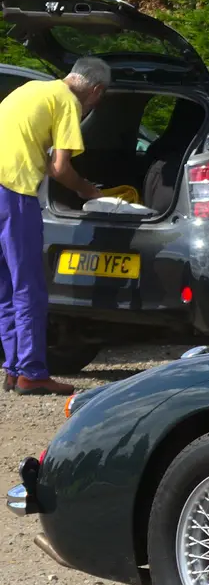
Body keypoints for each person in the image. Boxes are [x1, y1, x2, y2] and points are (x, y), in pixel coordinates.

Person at [0, 58, 109, 395]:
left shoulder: (33, 89)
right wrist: (89, 191)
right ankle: (32, 372)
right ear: (96, 91)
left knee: (4, 286)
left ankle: (12, 366)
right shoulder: (66, 103)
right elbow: (60, 168)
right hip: (14, 193)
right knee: (28, 286)